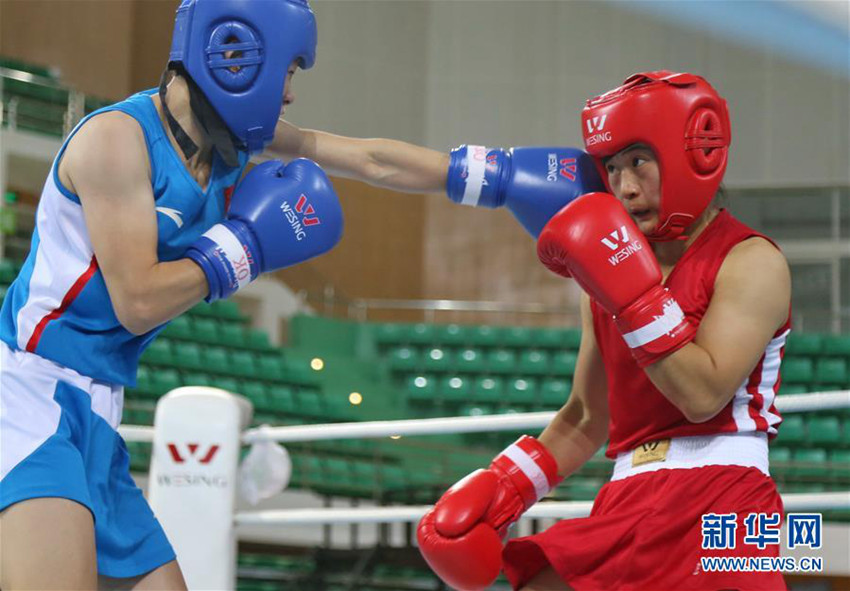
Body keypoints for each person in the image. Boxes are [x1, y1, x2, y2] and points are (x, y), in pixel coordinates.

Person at [0, 1, 342, 588]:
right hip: (28, 393)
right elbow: (137, 303)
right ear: (238, 56)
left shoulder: (225, 157)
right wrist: (244, 249)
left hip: (99, 410)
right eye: (286, 71)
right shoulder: (116, 138)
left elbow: (371, 158)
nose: (288, 95)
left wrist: (489, 175)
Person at [415, 71, 792, 591]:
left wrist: (633, 299)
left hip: (728, 505)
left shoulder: (752, 261)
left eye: (639, 161)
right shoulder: (608, 273)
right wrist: (504, 489)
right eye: (611, 168)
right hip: (628, 494)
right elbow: (587, 417)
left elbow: (703, 395)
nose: (625, 186)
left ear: (696, 152)